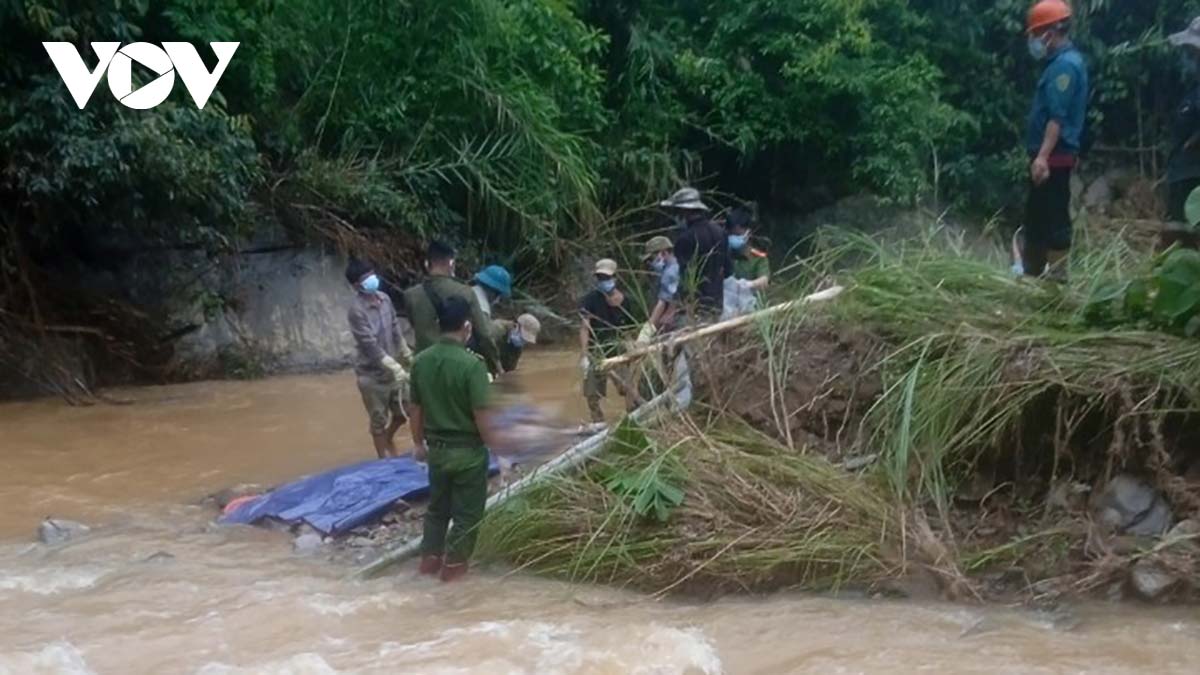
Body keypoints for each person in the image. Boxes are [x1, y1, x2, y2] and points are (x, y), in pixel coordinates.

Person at [409, 295, 499, 582]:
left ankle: (428, 567)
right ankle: (452, 581)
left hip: (436, 452)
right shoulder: (473, 366)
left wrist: (417, 444)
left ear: (438, 325)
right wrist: (495, 445)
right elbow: (481, 412)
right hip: (468, 454)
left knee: (437, 511)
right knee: (467, 517)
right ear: (467, 327)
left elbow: (415, 408)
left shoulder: (421, 361)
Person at [1022, 0, 1089, 279]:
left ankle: (1058, 278)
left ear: (1052, 32)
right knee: (1036, 219)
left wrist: (1042, 157)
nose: (1035, 41)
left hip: (1054, 157)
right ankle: (1031, 276)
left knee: (1054, 217)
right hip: (1049, 156)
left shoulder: (1065, 67)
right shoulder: (1057, 64)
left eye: (1037, 34)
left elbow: (1057, 118)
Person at [345, 258, 413, 459]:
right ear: (357, 285)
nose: (372, 280)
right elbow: (369, 344)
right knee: (378, 420)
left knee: (405, 412)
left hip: (393, 369)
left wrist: (405, 353)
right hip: (371, 375)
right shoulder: (356, 310)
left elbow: (394, 328)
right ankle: (383, 461)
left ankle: (389, 437)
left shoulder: (385, 299)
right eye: (366, 279)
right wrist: (392, 365)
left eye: (372, 275)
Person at [403, 241, 502, 375]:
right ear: (451, 263)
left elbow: (415, 325)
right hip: (455, 366)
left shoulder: (410, 295)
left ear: (427, 263)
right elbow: (484, 335)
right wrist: (496, 364)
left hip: (423, 366)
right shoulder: (466, 292)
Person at [578, 259, 636, 423]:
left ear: (615, 278)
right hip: (597, 349)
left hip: (618, 348)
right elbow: (584, 327)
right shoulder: (589, 300)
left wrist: (632, 349)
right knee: (592, 392)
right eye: (600, 278)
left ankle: (632, 417)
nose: (603, 282)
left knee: (626, 387)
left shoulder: (626, 301)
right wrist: (584, 355)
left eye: (606, 278)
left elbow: (629, 330)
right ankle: (598, 421)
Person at [662, 187, 729, 318]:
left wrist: (672, 309)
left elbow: (683, 279)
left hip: (693, 308)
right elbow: (727, 270)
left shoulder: (685, 239)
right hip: (717, 303)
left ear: (684, 212)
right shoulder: (720, 232)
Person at [1167, 18, 1200, 225]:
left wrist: (1192, 143)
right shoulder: (1194, 85)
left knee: (1186, 237)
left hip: (1194, 176)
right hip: (1184, 172)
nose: (1189, 55)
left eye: (1192, 50)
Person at [723, 206, 770, 319]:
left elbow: (764, 281)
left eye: (738, 235)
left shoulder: (757, 257)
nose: (734, 238)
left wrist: (748, 285)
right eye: (731, 234)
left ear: (748, 233)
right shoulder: (722, 254)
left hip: (751, 310)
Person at [643, 235, 680, 336]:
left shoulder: (670, 273)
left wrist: (647, 331)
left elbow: (662, 302)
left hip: (676, 321)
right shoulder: (675, 266)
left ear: (663, 253)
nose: (650, 263)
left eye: (652, 259)